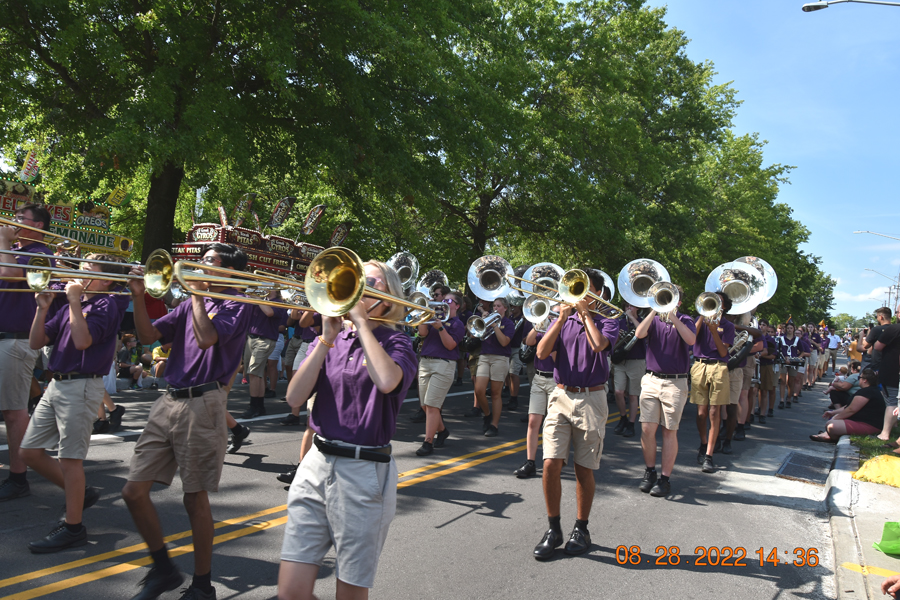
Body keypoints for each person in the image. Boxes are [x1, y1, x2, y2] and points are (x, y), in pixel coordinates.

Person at [277, 260, 417, 600]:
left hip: (364, 471)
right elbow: (294, 398)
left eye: (371, 282)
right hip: (316, 464)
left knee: (350, 593)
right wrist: (326, 339)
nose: (360, 286)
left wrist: (363, 327)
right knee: (291, 591)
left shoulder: (399, 343)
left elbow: (386, 381)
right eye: (357, 280)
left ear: (389, 296)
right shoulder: (330, 340)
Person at [121, 243, 252, 600]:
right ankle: (163, 568)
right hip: (169, 398)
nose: (198, 265)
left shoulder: (238, 303)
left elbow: (208, 338)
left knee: (194, 499)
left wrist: (195, 294)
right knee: (132, 491)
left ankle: (201, 584)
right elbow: (148, 338)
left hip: (205, 403)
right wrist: (137, 297)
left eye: (209, 261)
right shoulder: (188, 304)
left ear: (229, 271)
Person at [20, 255, 128, 552]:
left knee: (70, 459)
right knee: (29, 452)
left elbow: (82, 342)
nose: (79, 271)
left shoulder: (105, 304)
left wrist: (74, 301)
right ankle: (78, 495)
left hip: (82, 386)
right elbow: (35, 341)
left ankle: (73, 526)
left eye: (88, 268)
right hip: (57, 383)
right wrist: (41, 309)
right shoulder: (75, 303)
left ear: (106, 280)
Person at [532, 270, 618, 560]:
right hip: (560, 395)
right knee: (550, 463)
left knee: (584, 469)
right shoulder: (563, 320)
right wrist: (559, 318)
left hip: (592, 398)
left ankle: (581, 528)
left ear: (597, 294)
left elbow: (598, 345)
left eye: (585, 290)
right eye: (576, 289)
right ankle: (553, 527)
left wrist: (585, 316)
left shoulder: (609, 321)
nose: (579, 295)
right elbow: (542, 352)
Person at [0, 203, 57, 502]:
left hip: (16, 339)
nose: (14, 221)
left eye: (21, 218)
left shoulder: (40, 254)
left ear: (39, 226)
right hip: (4, 338)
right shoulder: (15, 250)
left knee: (13, 411)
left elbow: (9, 273)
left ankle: (18, 477)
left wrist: (4, 242)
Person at [633, 285, 696, 497]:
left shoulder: (686, 320)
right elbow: (639, 333)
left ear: (678, 302)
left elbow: (691, 340)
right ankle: (650, 472)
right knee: (647, 429)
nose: (666, 301)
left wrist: (674, 317)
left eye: (670, 298)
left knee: (669, 430)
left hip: (675, 383)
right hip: (651, 380)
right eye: (663, 297)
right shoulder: (654, 321)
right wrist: (653, 308)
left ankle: (665, 479)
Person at [415, 290, 465, 456]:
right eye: (445, 299)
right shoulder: (435, 317)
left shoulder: (457, 324)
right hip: (426, 362)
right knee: (425, 405)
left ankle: (428, 442)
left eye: (449, 301)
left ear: (457, 306)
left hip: (443, 364)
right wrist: (424, 313)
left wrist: (441, 328)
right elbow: (422, 333)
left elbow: (450, 345)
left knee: (432, 405)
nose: (445, 302)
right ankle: (442, 430)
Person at [690, 293, 734, 474]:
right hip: (700, 365)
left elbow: (724, 352)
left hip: (718, 367)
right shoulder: (700, 319)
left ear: (724, 307)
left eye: (719, 303)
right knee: (701, 413)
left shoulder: (728, 325)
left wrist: (714, 330)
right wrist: (702, 313)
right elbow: (691, 336)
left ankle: (709, 455)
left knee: (715, 412)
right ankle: (703, 442)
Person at [514, 319, 554, 479]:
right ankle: (530, 462)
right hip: (539, 378)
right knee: (533, 421)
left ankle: (552, 460)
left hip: (556, 379)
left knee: (552, 423)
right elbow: (529, 342)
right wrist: (538, 326)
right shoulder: (544, 326)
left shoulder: (564, 327)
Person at [241, 289, 288, 417]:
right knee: (257, 374)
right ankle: (259, 406)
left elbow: (269, 312)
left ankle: (254, 406)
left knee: (254, 372)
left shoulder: (279, 303)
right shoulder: (259, 301)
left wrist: (257, 297)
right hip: (251, 338)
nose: (262, 287)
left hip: (264, 340)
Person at [473, 297, 515, 437]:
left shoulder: (508, 323)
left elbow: (504, 342)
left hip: (500, 358)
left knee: (496, 394)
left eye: (498, 306)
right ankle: (487, 414)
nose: (495, 308)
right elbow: (475, 335)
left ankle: (494, 425)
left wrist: (495, 326)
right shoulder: (488, 319)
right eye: (494, 306)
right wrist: (483, 321)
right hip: (484, 356)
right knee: (479, 390)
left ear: (505, 308)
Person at [810, 369, 886, 442]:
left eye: (860, 378)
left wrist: (836, 418)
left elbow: (851, 410)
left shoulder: (866, 392)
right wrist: (833, 413)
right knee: (831, 424)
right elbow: (848, 406)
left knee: (830, 425)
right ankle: (829, 434)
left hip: (870, 425)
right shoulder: (869, 391)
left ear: (865, 380)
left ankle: (830, 437)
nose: (859, 380)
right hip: (863, 422)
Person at [613, 304, 646, 438]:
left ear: (637, 308)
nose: (628, 309)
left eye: (631, 306)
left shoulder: (642, 321)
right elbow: (611, 342)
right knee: (618, 392)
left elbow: (642, 333)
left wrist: (632, 318)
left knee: (633, 395)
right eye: (627, 306)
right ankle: (623, 418)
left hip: (636, 360)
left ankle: (631, 424)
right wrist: (618, 338)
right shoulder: (619, 322)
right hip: (621, 362)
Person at [776, 323, 810, 409]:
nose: (789, 330)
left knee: (791, 382)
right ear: (785, 329)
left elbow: (802, 352)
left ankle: (789, 399)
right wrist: (783, 358)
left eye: (791, 328)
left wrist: (797, 359)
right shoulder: (781, 339)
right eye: (788, 328)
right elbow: (778, 350)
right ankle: (782, 400)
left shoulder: (797, 340)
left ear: (793, 329)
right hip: (784, 361)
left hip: (793, 363)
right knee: (783, 381)